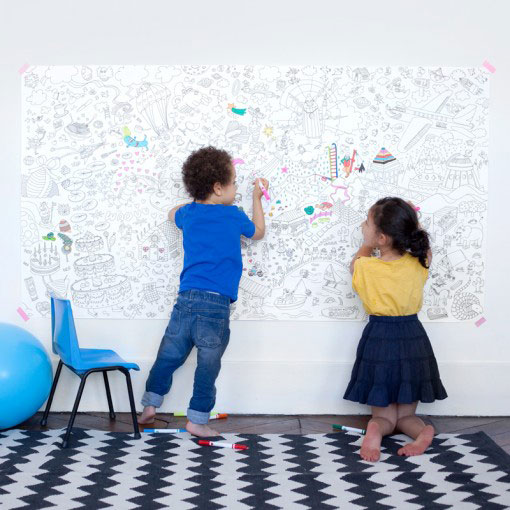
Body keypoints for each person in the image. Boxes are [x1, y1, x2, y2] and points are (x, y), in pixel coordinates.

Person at [138, 146, 268, 437]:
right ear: (218, 187)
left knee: (168, 356)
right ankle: (197, 419)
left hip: (185, 300)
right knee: (208, 365)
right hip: (215, 305)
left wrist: (194, 202)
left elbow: (172, 213)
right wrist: (256, 199)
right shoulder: (233, 215)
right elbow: (258, 232)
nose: (236, 189)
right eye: (234, 183)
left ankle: (150, 405)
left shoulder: (189, 214)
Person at [343, 197, 447, 461]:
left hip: (379, 338)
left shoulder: (365, 266)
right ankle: (423, 432)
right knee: (407, 416)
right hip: (413, 338)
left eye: (366, 223)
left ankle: (375, 430)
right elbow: (427, 250)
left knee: (383, 416)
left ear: (381, 238)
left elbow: (356, 262)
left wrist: (366, 245)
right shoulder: (418, 263)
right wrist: (412, 220)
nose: (361, 226)